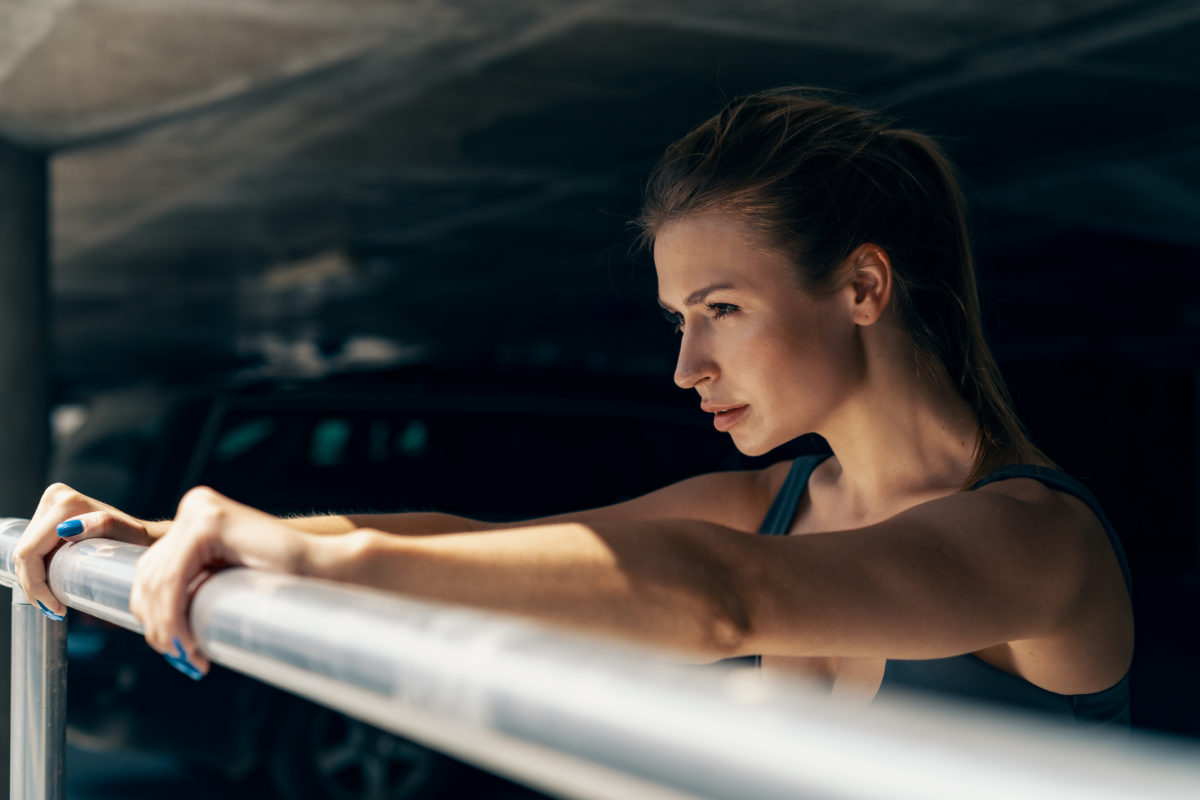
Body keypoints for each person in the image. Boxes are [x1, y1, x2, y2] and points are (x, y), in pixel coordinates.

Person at [14, 87, 1133, 724]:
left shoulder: (1036, 540)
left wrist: (312, 565)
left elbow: (727, 601)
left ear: (863, 287)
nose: (687, 364)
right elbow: (490, 548)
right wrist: (171, 535)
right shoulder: (778, 498)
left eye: (723, 307)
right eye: (677, 319)